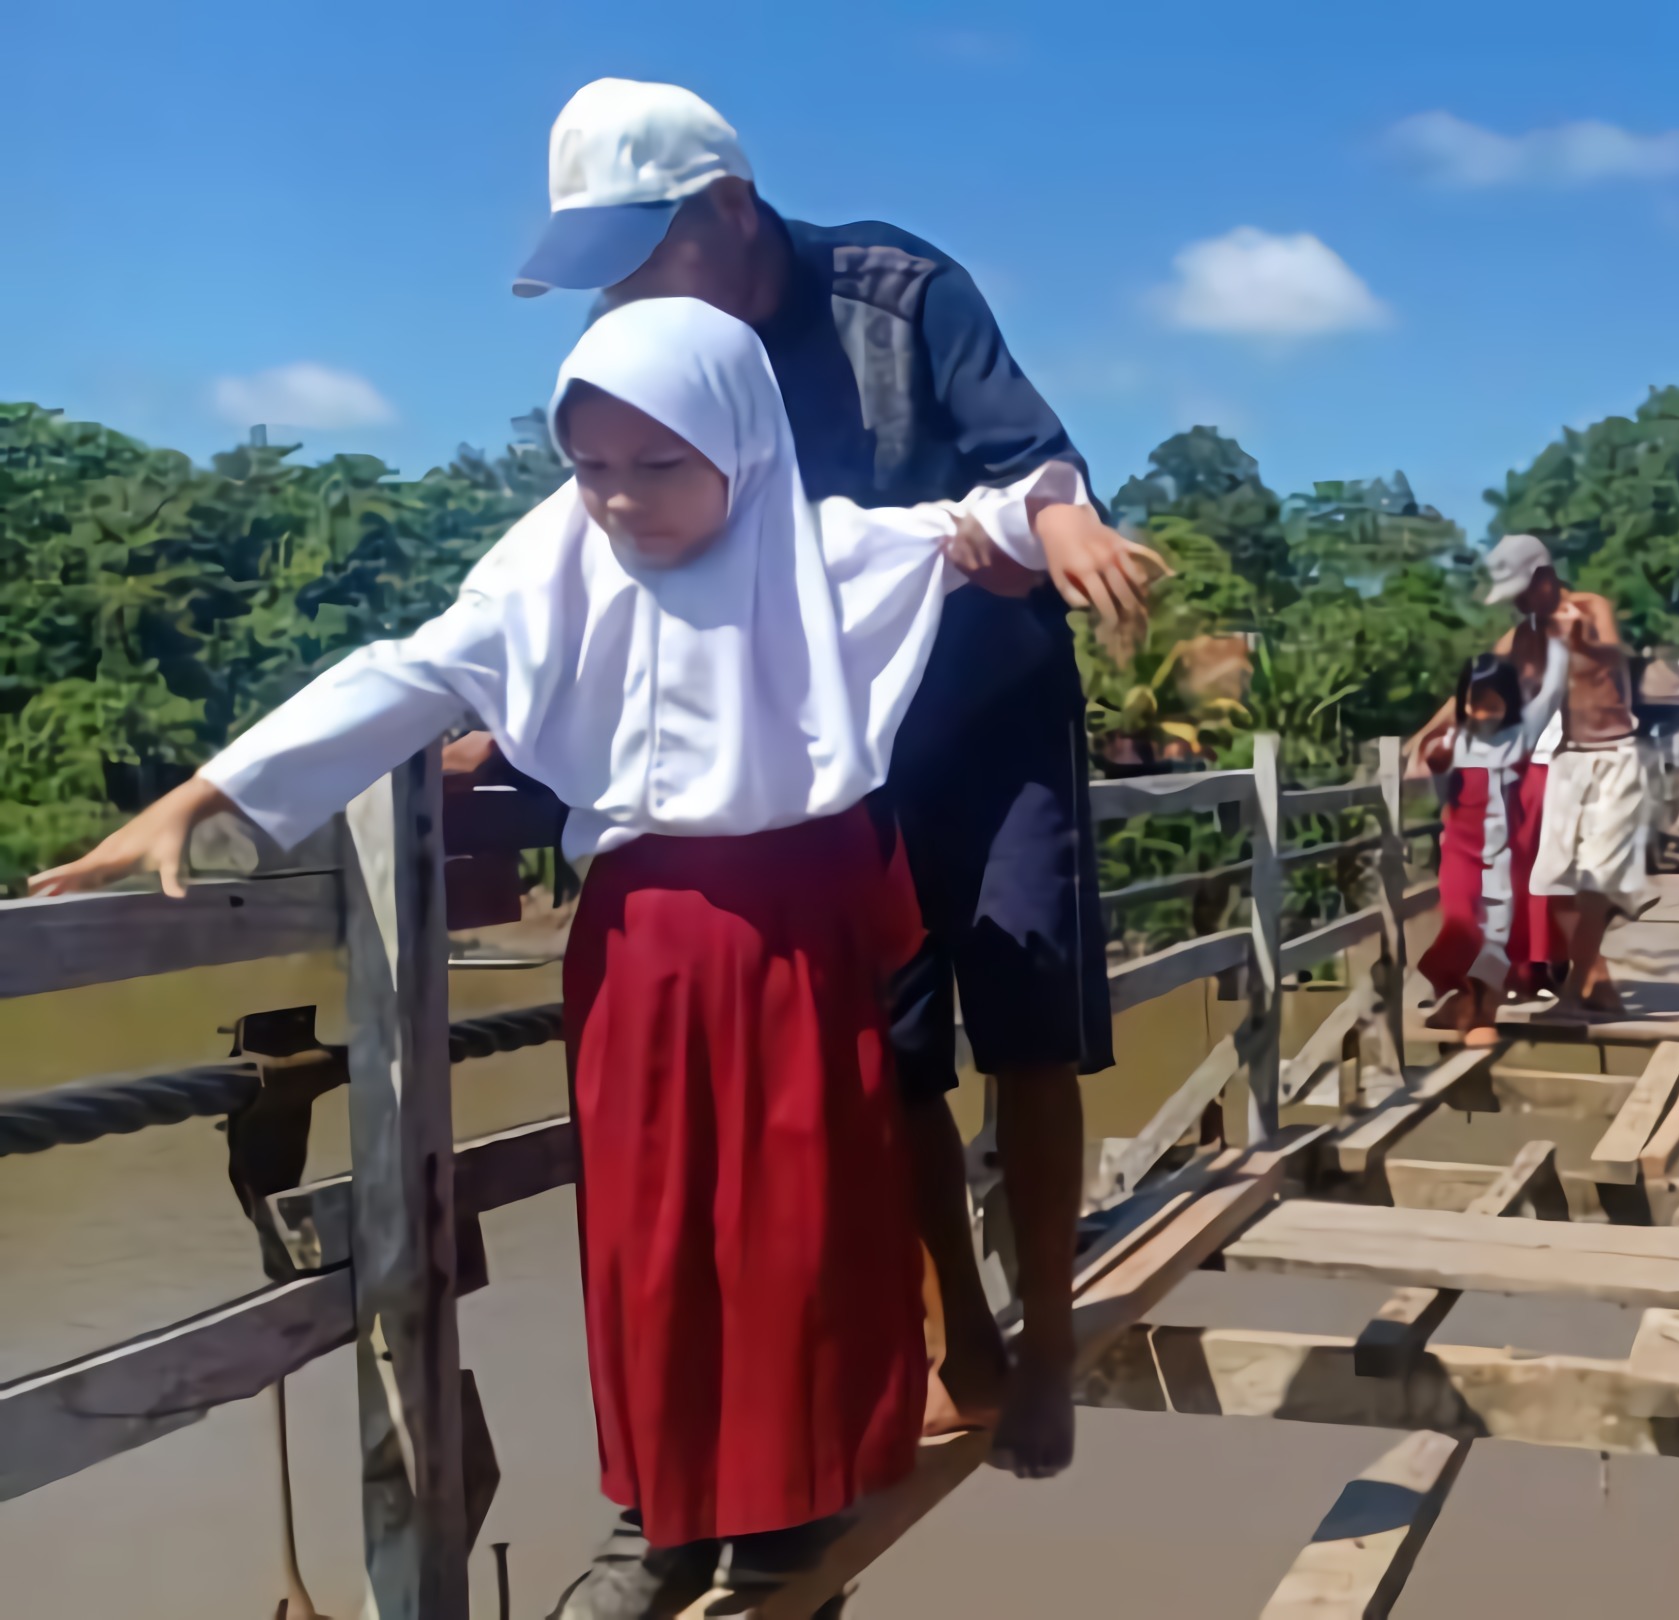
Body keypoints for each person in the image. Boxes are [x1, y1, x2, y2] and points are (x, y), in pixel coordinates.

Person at [31, 300, 1019, 1615]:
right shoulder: (553, 562)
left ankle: (798, 1496)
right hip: (644, 936)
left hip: (793, 932)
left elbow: (995, 523)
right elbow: (406, 672)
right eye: (592, 466)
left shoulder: (825, 551)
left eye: (659, 465)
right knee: (646, 1230)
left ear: (742, 445)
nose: (621, 499)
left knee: (802, 1216)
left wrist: (1046, 520)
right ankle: (660, 1514)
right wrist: (206, 794)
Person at [513, 78, 1150, 1478]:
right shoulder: (641, 352)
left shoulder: (896, 287)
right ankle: (957, 1332)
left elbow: (1032, 457)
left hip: (986, 703)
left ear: (729, 211)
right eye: (601, 274)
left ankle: (1048, 1345)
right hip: (829, 741)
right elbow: (599, 542)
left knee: (1030, 1020)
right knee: (891, 1047)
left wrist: (1062, 520)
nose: (619, 296)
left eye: (640, 255)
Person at [1460, 534, 1647, 1017]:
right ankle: (1597, 979)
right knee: (1552, 879)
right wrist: (1437, 736)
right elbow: (1491, 685)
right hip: (1566, 757)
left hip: (1614, 752)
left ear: (1544, 576)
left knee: (1597, 879)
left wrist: (1580, 641)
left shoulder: (1589, 608)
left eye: (1523, 591)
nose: (1519, 603)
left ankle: (1572, 993)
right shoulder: (1527, 635)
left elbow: (1614, 656)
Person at [1420, 652, 1565, 1047]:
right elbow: (1441, 797)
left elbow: (1552, 692)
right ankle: (1459, 999)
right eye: (1474, 701)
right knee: (1461, 921)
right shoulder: (1453, 742)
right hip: (1461, 852)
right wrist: (1436, 766)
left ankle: (1482, 1013)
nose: (1483, 711)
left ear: (1509, 701)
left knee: (1495, 933)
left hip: (1504, 856)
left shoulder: (1520, 736)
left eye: (1492, 701)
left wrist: (1559, 644)